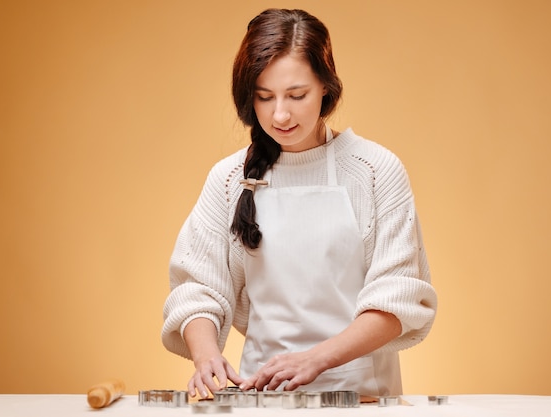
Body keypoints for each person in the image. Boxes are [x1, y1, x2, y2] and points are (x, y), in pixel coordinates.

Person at [162, 8, 437, 399]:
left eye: (297, 95)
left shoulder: (376, 170)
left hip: (361, 396)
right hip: (262, 395)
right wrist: (206, 355)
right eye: (264, 97)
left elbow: (399, 296)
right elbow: (198, 287)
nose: (280, 114)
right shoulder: (228, 179)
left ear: (326, 87)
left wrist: (317, 359)